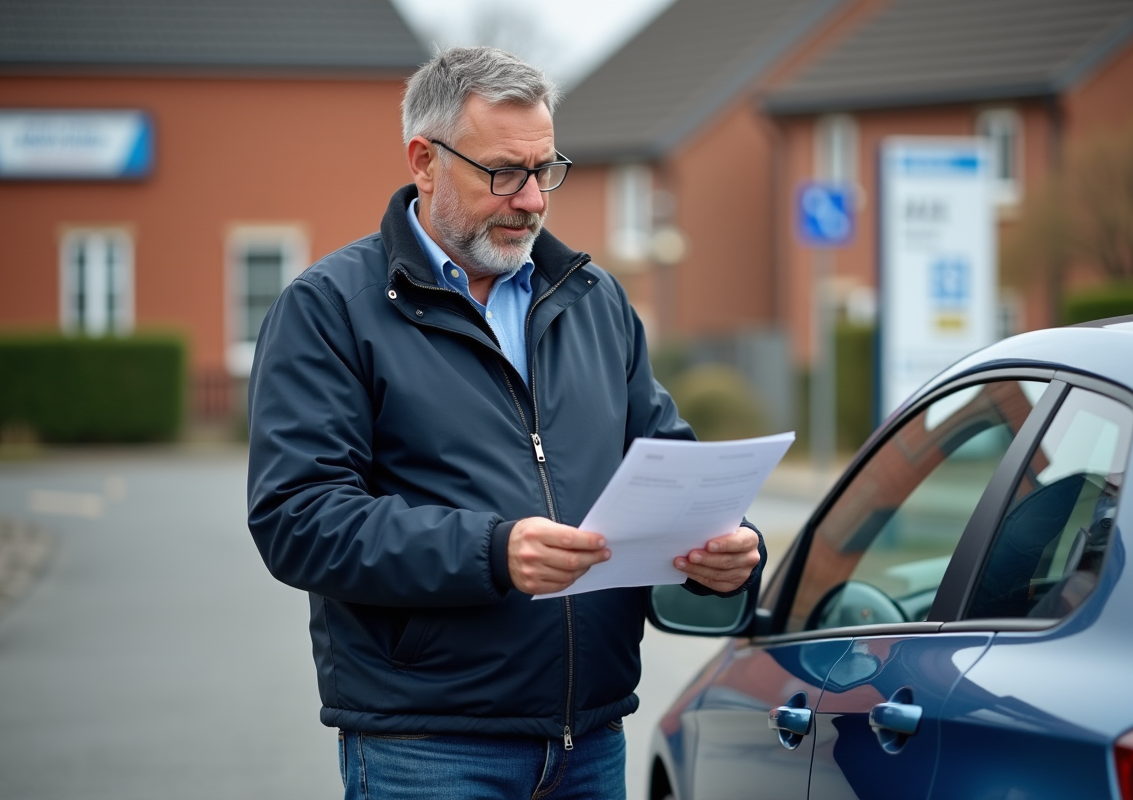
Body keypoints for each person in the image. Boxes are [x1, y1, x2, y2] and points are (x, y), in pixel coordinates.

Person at [246, 46, 766, 800]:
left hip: (591, 740)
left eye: (544, 169)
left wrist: (726, 545)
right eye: (503, 173)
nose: (530, 199)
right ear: (424, 161)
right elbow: (298, 518)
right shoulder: (328, 309)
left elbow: (666, 467)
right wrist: (491, 553)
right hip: (427, 748)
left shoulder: (595, 299)